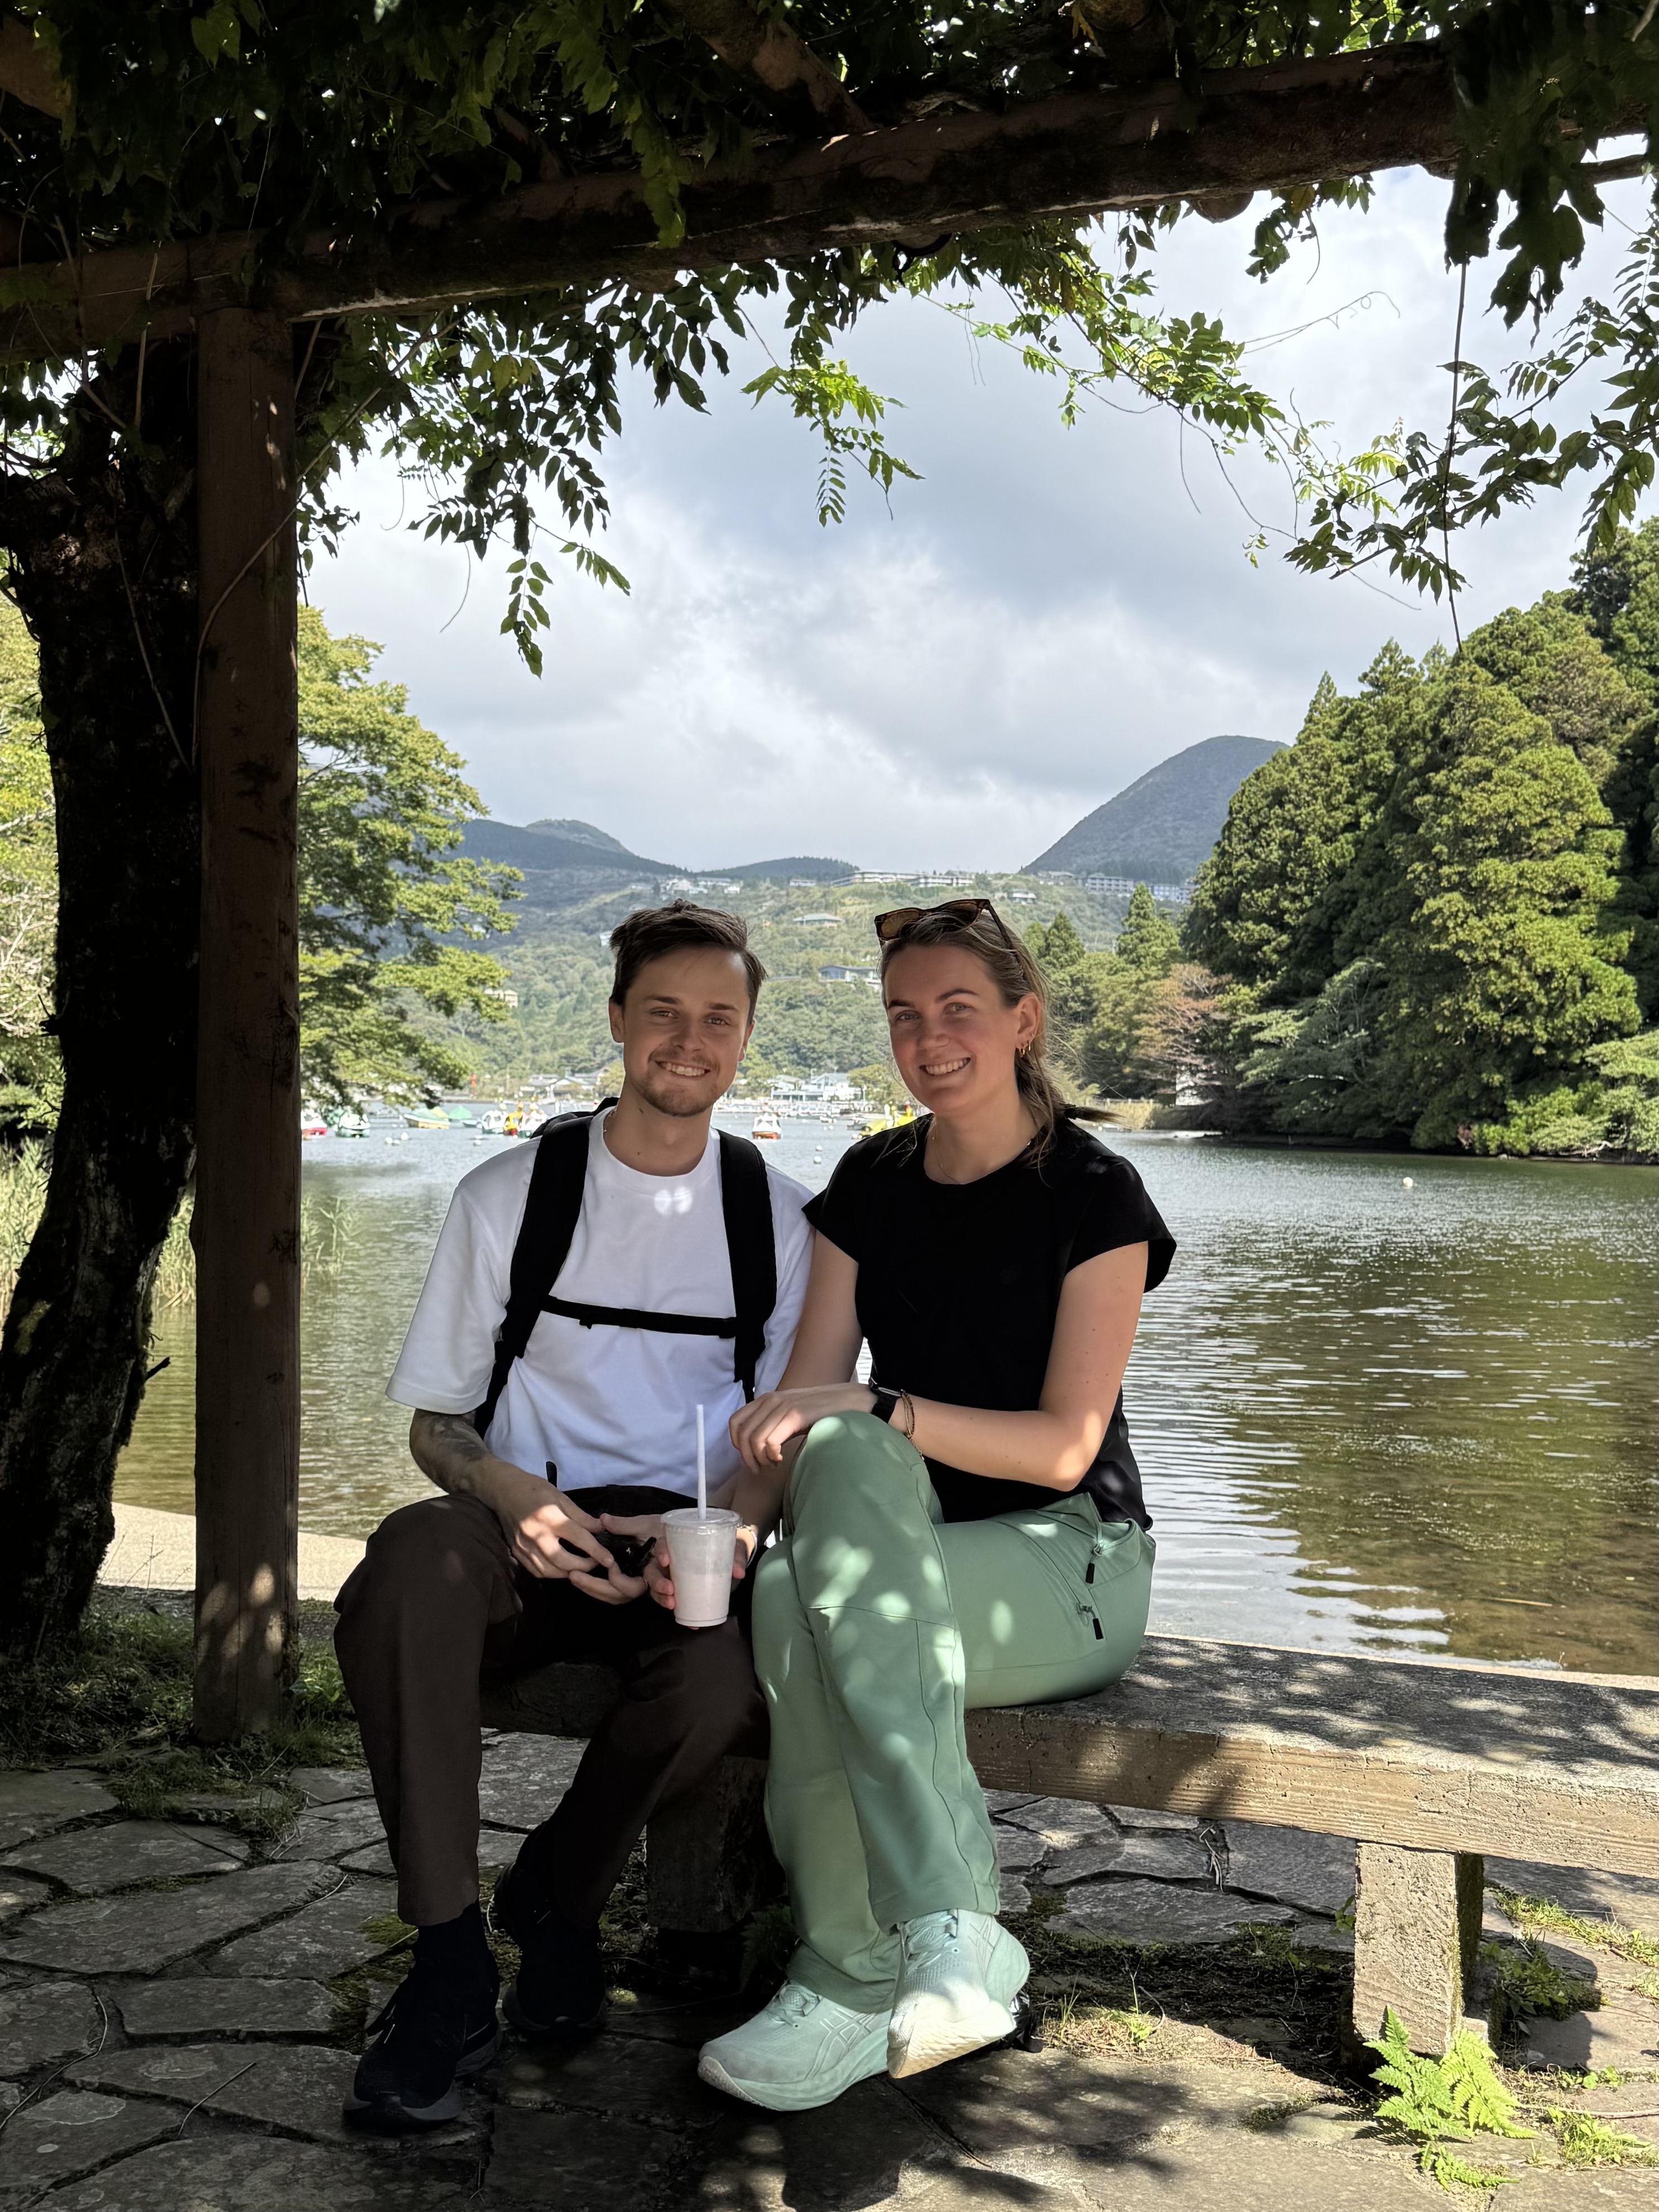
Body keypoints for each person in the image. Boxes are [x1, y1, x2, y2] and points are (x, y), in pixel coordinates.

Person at [673, 897, 1174, 2112]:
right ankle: (897, 1967)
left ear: (1023, 1020)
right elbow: (804, 1400)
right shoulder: (872, 1178)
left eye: (957, 1008)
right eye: (903, 1015)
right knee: (794, 1568)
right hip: (895, 1559)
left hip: (1070, 1558)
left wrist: (879, 1405)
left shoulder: (1095, 1194)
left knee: (827, 1544)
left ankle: (884, 1953)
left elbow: (1063, 1449)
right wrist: (725, 1528)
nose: (927, 1038)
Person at [334, 901, 814, 2131]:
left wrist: (727, 1529)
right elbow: (436, 1426)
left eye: (718, 1018)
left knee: (723, 1683)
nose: (688, 1041)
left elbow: (782, 1437)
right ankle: (448, 1961)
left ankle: (556, 1892)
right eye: (662, 1012)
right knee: (404, 1567)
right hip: (518, 1524)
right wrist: (513, 1494)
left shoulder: (778, 1218)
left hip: (681, 1539)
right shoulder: (509, 1194)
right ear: (615, 1021)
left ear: (746, 1036)